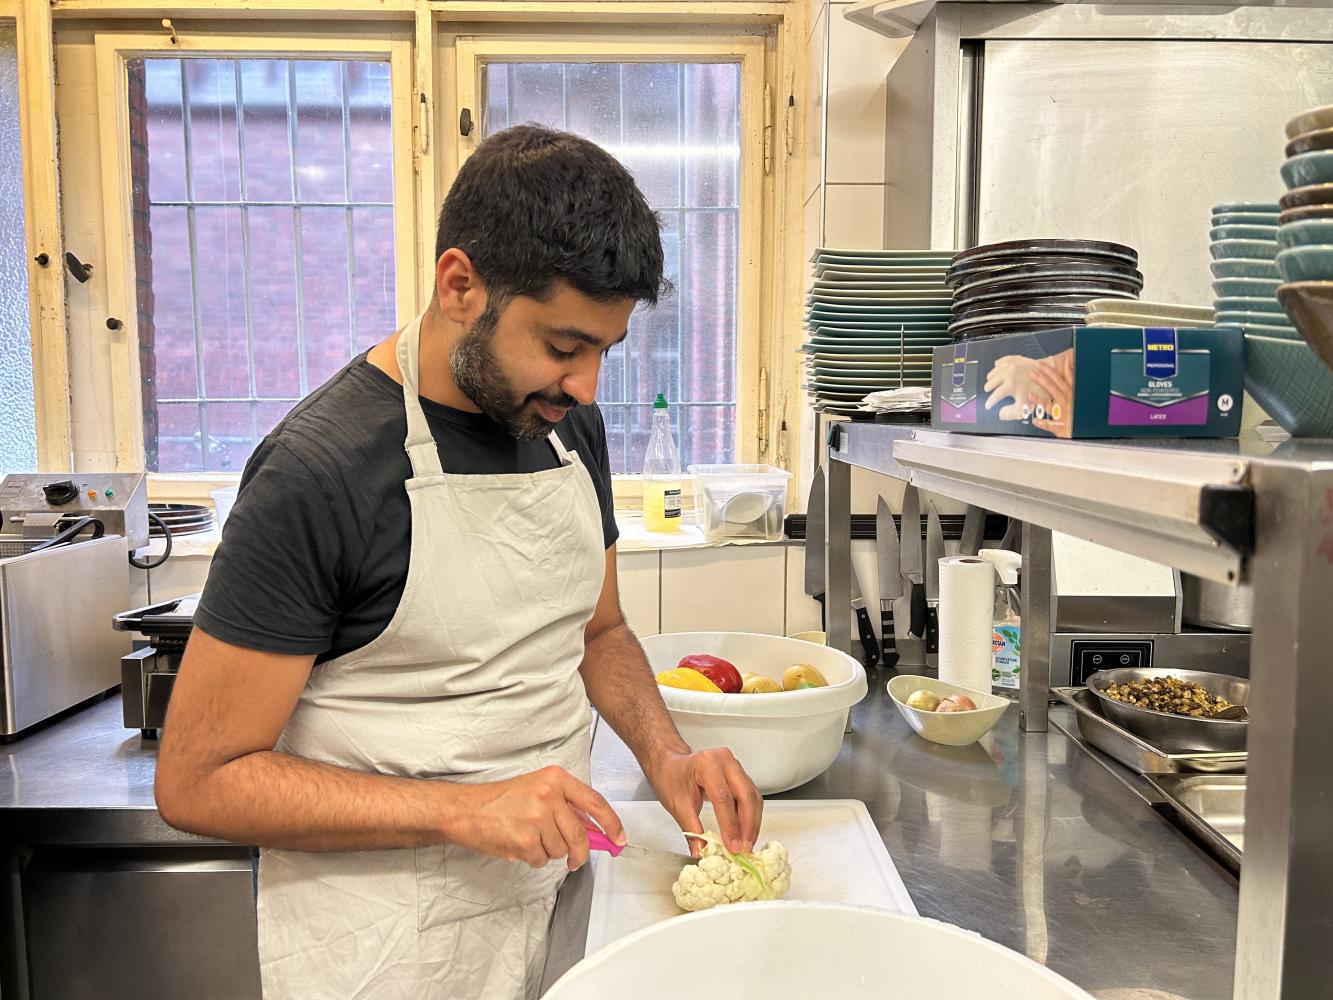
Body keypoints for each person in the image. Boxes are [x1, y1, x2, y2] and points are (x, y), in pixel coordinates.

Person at [154, 124, 764, 1000]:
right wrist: (461, 807)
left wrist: (665, 755)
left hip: (558, 900)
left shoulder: (563, 424)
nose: (588, 386)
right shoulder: (317, 474)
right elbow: (200, 780)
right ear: (460, 286)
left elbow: (599, 629)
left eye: (603, 350)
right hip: (386, 944)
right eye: (562, 346)